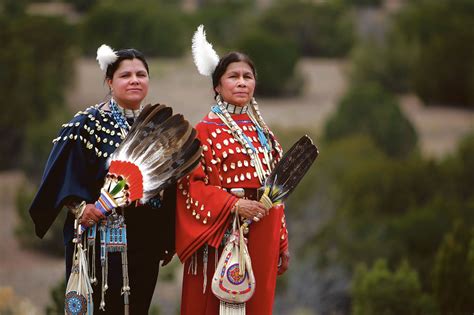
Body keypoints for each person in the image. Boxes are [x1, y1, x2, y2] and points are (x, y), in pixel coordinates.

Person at [29, 45, 175, 314]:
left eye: (141, 74)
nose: (134, 80)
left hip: (146, 242)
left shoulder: (156, 129)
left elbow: (169, 187)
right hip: (101, 237)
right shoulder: (87, 124)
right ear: (110, 81)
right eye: (125, 75)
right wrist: (81, 208)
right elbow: (61, 174)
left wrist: (168, 238)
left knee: (138, 306)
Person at [176, 27, 290, 315]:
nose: (241, 83)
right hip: (221, 235)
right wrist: (235, 205)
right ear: (217, 86)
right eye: (233, 77)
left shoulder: (265, 135)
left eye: (247, 77)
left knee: (257, 306)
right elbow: (191, 186)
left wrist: (281, 239)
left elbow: (278, 191)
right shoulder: (204, 131)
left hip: (264, 233)